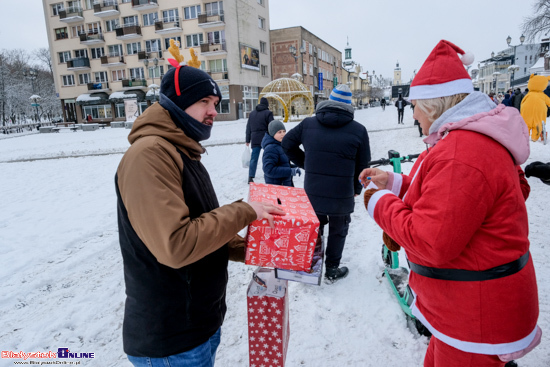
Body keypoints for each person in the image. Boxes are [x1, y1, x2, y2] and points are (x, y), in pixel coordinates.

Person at [360, 40, 541, 366]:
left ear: (434, 104)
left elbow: (431, 241)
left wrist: (378, 200)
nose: (412, 112)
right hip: (470, 311)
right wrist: (397, 183)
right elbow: (451, 200)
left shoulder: (462, 152)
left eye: (416, 104)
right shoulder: (467, 139)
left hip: (476, 318)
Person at [115, 51, 285, 367]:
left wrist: (255, 248)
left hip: (197, 329)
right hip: (171, 340)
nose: (213, 112)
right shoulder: (150, 155)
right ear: (177, 102)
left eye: (216, 104)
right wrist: (244, 211)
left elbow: (203, 228)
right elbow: (177, 245)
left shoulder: (183, 151)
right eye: (204, 102)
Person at [282, 84, 371, 282]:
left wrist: (307, 163)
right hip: (342, 192)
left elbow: (287, 143)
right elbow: (363, 164)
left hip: (313, 190)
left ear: (328, 101)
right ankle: (332, 269)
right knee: (339, 230)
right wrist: (356, 188)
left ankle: (312, 267)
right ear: (349, 106)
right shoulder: (358, 130)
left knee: (315, 227)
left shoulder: (308, 124)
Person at [261, 120, 300, 187]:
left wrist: (294, 167)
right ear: (272, 133)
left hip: (284, 185)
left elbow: (282, 164)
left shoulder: (280, 146)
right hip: (277, 188)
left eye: (284, 131)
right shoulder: (271, 148)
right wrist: (290, 171)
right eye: (279, 132)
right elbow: (269, 170)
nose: (283, 134)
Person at [245, 97, 274, 183]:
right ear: (267, 104)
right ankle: (270, 173)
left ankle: (250, 177)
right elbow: (272, 126)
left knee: (254, 158)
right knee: (269, 156)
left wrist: (247, 139)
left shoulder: (252, 114)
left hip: (255, 138)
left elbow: (248, 128)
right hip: (266, 138)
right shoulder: (268, 113)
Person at [520, 74, 550, 142]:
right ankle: (534, 137)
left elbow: (522, 102)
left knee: (526, 124)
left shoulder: (528, 95)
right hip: (539, 113)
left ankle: (525, 136)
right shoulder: (543, 96)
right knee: (538, 125)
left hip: (527, 112)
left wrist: (521, 110)